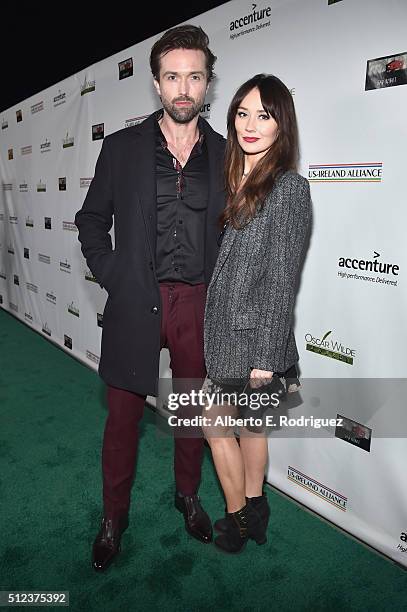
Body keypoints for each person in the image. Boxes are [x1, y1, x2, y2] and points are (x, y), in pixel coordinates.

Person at [74, 25, 226, 572]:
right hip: (136, 301)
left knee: (190, 415)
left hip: (201, 305)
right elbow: (91, 219)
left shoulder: (229, 155)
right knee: (121, 421)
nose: (183, 88)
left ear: (208, 84)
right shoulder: (122, 148)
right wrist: (116, 275)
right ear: (157, 84)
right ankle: (114, 518)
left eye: (194, 76)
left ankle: (188, 496)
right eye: (172, 77)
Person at [202, 74, 311, 553]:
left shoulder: (288, 188)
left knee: (230, 425)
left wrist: (266, 359)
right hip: (226, 334)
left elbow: (282, 279)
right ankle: (251, 509)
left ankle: (240, 517)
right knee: (243, 427)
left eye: (263, 115)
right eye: (242, 113)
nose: (250, 125)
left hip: (254, 342)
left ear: (280, 125)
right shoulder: (232, 178)